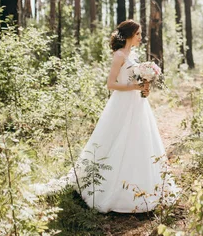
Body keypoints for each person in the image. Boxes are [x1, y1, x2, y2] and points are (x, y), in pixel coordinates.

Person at [70, 19, 177, 213]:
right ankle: (109, 188)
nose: (140, 37)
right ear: (129, 35)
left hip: (137, 103)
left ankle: (146, 187)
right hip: (121, 104)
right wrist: (135, 87)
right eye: (138, 34)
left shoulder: (133, 55)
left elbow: (133, 79)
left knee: (140, 142)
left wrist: (144, 87)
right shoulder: (119, 55)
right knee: (116, 141)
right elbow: (111, 84)